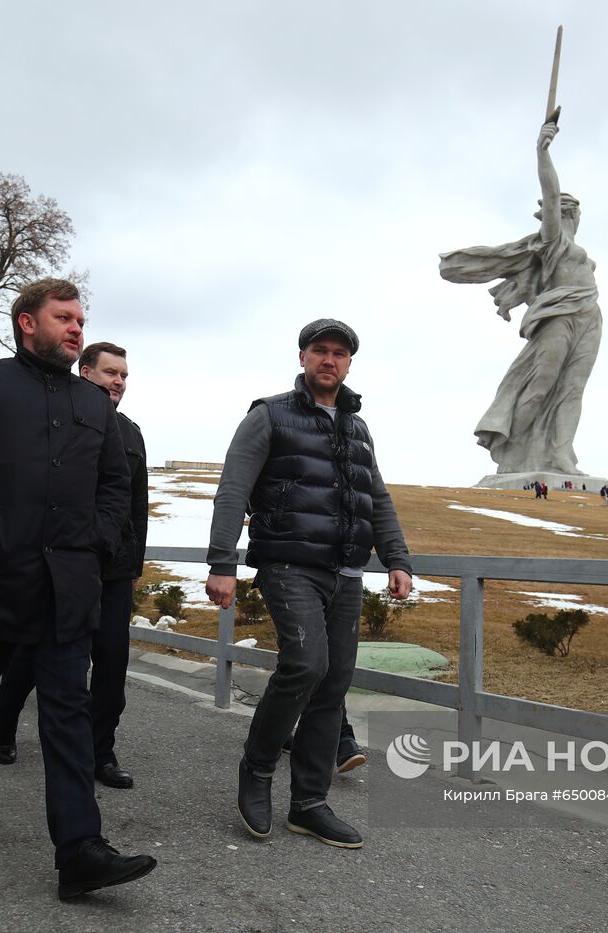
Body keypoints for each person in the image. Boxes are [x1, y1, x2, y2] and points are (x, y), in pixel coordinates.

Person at [0, 278, 154, 899]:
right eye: (64, 317)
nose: (77, 328)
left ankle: (79, 852)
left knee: (67, 721)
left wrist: (97, 540)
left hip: (65, 588)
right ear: (27, 323)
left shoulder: (94, 404)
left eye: (81, 319)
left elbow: (111, 488)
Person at [206, 318, 413, 849]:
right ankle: (256, 767)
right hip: (289, 564)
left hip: (345, 571)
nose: (330, 360)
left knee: (333, 682)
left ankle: (309, 804)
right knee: (305, 664)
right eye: (320, 351)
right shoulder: (269, 415)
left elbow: (378, 498)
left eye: (340, 353)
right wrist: (222, 562)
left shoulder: (357, 427)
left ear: (349, 364)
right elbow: (234, 489)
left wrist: (397, 558)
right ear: (302, 358)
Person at [0, 340, 148, 792]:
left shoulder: (131, 433)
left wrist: (133, 562)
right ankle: (4, 722)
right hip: (60, 564)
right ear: (85, 373)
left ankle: (101, 751)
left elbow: (138, 504)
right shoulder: (56, 423)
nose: (117, 381)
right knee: (35, 654)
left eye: (123, 375)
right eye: (109, 373)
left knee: (112, 662)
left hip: (113, 569)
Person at [440, 117, 602, 475]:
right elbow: (549, 190)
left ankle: (561, 454)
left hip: (589, 315)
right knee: (541, 382)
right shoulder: (553, 242)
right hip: (558, 316)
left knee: (573, 388)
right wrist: (542, 151)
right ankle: (511, 445)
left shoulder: (581, 253)